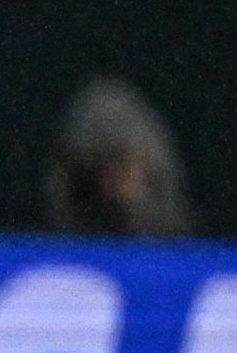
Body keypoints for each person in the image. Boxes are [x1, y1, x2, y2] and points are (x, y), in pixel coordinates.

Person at [46, 75, 192, 236]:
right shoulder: (79, 162)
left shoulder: (153, 164)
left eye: (123, 172)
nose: (114, 181)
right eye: (108, 173)